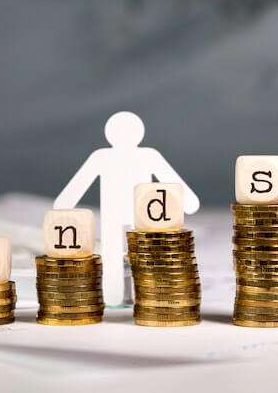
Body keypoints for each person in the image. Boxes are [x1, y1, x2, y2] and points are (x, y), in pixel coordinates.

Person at [54, 111, 200, 305]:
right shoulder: (113, 156)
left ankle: (139, 297)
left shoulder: (138, 156)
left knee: (138, 254)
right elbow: (75, 188)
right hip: (126, 214)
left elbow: (176, 186)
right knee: (114, 253)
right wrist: (189, 203)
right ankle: (117, 297)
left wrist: (189, 202)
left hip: (144, 216)